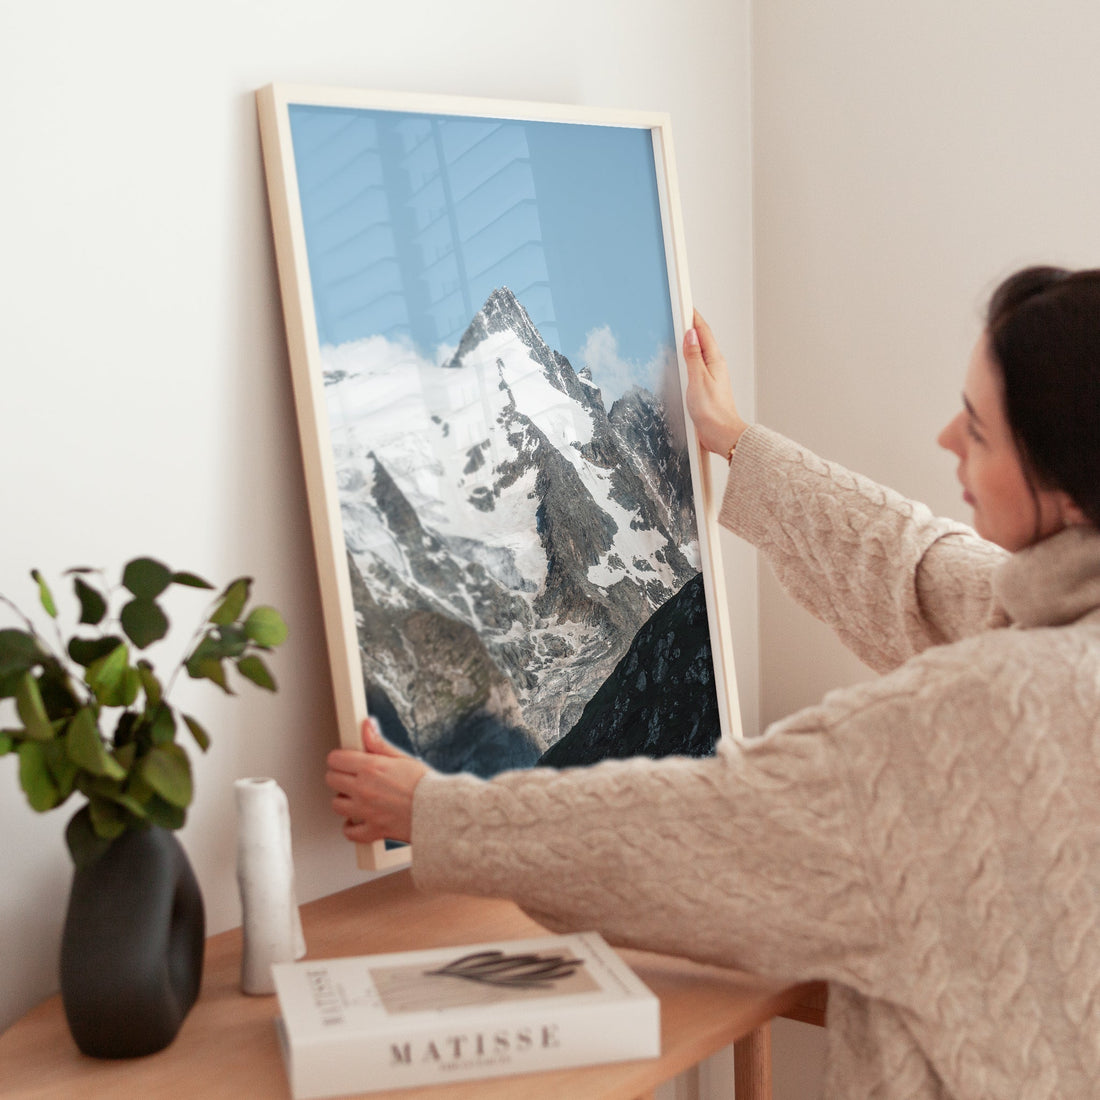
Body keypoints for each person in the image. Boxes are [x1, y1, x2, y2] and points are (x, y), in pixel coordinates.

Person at [325, 265, 1100, 1099]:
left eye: (979, 431)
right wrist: (735, 440)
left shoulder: (977, 718)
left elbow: (706, 829)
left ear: (1063, 488)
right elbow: (918, 569)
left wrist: (434, 812)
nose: (948, 438)